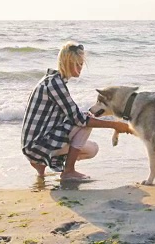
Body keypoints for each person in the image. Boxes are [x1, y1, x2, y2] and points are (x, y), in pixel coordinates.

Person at [20, 41, 132, 181]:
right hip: (36, 145)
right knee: (86, 119)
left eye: (81, 64)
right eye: (77, 64)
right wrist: (115, 125)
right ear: (67, 62)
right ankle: (68, 171)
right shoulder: (55, 83)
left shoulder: (53, 80)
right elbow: (79, 119)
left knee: (92, 149)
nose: (80, 68)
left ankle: (41, 166)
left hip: (36, 142)